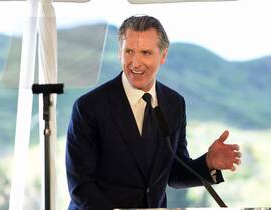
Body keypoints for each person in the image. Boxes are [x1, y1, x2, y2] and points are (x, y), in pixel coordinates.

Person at [66, 15, 241, 210]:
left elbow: (174, 172)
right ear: (119, 53)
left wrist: (208, 163)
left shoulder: (174, 104)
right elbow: (81, 187)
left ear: (163, 55)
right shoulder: (88, 107)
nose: (136, 62)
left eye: (146, 53)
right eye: (129, 51)